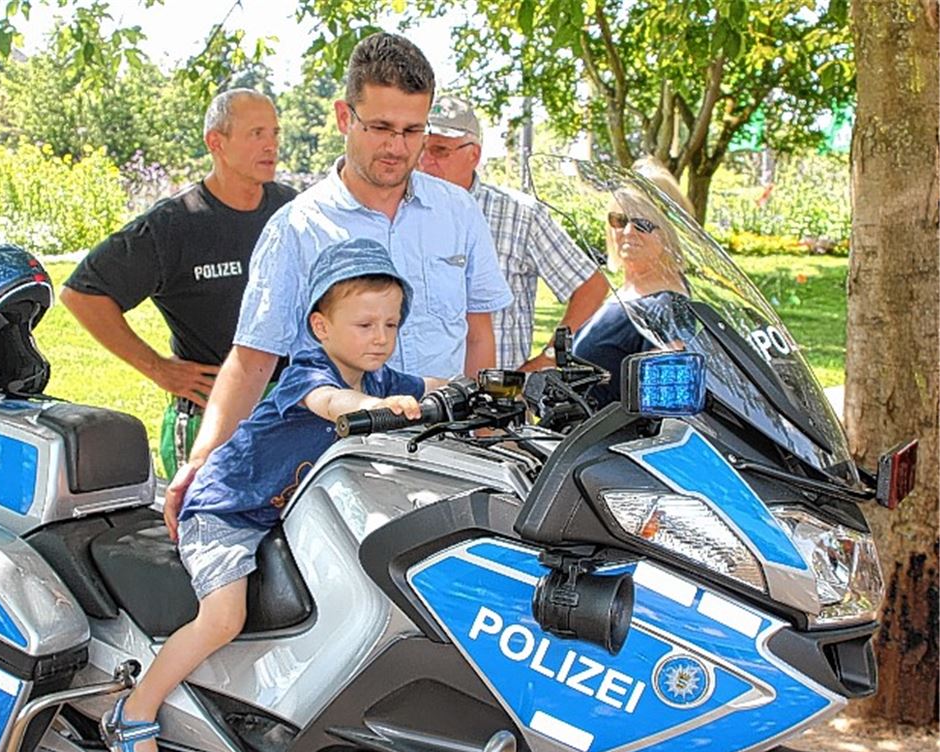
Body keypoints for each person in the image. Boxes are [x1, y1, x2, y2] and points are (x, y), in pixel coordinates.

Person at [101, 239, 438, 752]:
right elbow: (333, 404)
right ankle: (136, 710)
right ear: (321, 327)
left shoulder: (379, 379)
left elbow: (436, 388)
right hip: (228, 510)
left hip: (284, 516)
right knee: (223, 616)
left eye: (391, 325)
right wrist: (376, 408)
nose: (381, 338)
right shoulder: (311, 373)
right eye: (365, 325)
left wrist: (490, 392)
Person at [163, 32, 512, 528]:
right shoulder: (298, 226)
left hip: (447, 458)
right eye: (381, 127)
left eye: (413, 131)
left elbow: (479, 334)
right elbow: (253, 359)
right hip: (341, 471)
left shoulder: (458, 211)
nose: (397, 147)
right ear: (344, 117)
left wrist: (484, 433)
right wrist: (202, 461)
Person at [60, 88, 297, 478]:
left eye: (274, 133)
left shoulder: (291, 210)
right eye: (256, 134)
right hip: (212, 413)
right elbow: (83, 294)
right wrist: (157, 368)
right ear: (215, 142)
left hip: (288, 404)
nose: (271, 145)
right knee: (207, 528)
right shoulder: (174, 224)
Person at [418, 94, 609, 371]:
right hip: (418, 400)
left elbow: (591, 286)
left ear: (474, 154)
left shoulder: (519, 214)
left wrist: (547, 360)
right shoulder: (401, 211)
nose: (424, 161)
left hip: (495, 403)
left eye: (439, 150)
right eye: (420, 148)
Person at [572, 160, 695, 404]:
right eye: (619, 220)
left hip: (610, 441)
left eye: (643, 224)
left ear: (669, 232)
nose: (628, 231)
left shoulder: (667, 306)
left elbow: (667, 405)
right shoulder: (630, 291)